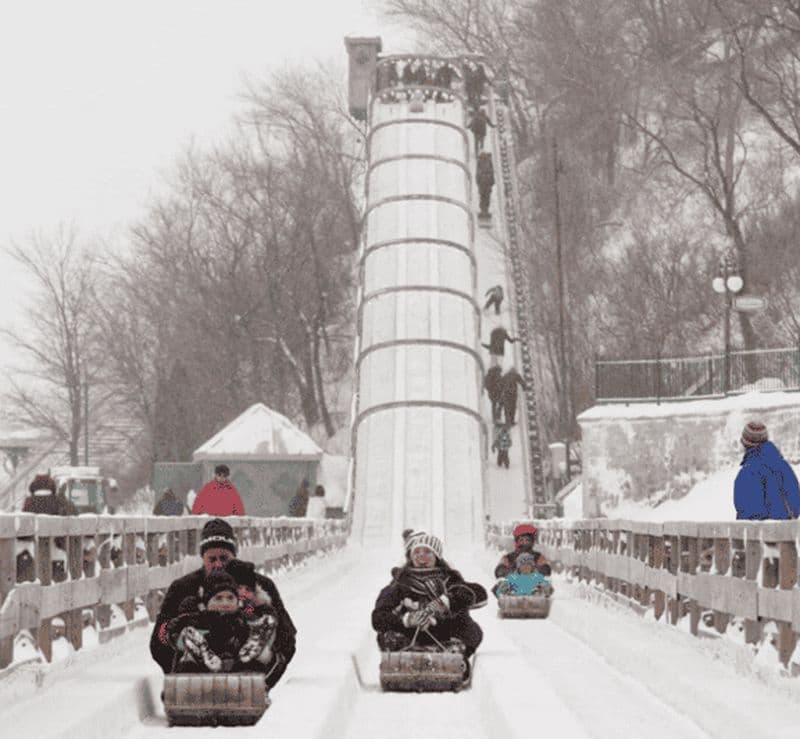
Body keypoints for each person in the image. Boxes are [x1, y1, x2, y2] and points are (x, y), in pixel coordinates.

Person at [150, 518, 297, 689]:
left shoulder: (258, 585)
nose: (218, 564)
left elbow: (287, 637)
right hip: (197, 671)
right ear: (202, 558)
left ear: (234, 556)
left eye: (224, 558)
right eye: (212, 559)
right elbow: (159, 639)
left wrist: (264, 678)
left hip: (246, 670)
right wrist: (177, 673)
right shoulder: (183, 588)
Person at [372, 530, 487, 685]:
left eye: (427, 552)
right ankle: (404, 652)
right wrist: (407, 619)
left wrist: (445, 602)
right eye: (417, 552)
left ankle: (454, 654)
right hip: (410, 634)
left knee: (471, 628)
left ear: (437, 557)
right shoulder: (399, 585)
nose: (421, 556)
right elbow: (378, 617)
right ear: (410, 557)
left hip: (445, 632)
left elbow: (478, 593)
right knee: (387, 631)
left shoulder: (450, 580)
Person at [167, 570, 252, 674]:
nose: (225, 603)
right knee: (188, 646)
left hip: (238, 679)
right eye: (218, 598)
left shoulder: (242, 623)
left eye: (230, 598)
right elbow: (173, 634)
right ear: (207, 603)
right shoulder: (196, 621)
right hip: (199, 680)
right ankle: (205, 656)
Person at [734, 421, 800, 520]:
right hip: (789, 532)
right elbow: (796, 504)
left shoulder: (749, 472)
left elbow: (748, 515)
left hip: (763, 533)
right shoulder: (784, 466)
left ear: (745, 443)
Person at [476, 151, 495, 218]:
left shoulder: (479, 162)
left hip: (482, 184)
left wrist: (478, 182)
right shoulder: (489, 162)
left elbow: (477, 173)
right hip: (487, 184)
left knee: (482, 197)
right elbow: (492, 172)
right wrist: (492, 182)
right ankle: (485, 211)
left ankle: (483, 211)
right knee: (487, 198)